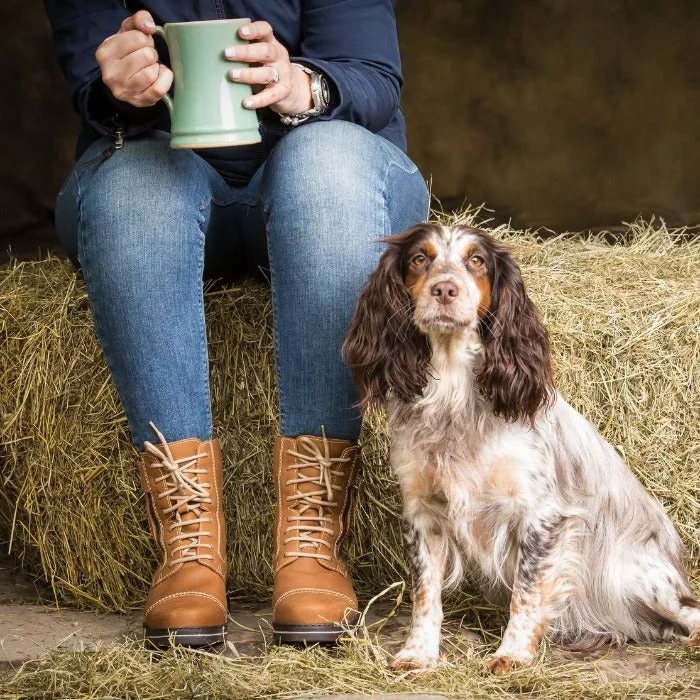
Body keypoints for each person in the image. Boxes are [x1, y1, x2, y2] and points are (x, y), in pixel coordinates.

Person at [43, 0, 429, 648]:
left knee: (324, 165)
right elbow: (91, 81)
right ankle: (188, 544)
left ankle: (313, 541)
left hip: (330, 172)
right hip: (162, 166)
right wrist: (121, 85)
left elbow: (372, 72)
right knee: (135, 184)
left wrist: (303, 83)